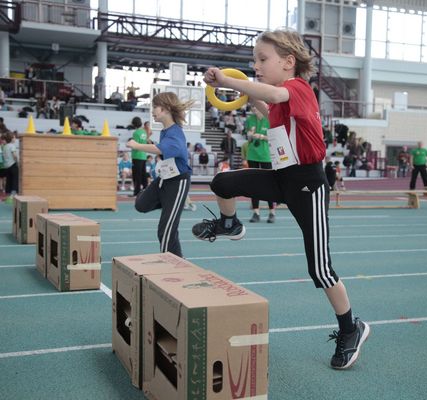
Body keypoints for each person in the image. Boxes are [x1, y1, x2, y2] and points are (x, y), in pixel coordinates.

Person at [191, 29, 369, 370]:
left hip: (308, 185)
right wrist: (239, 92)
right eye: (254, 60)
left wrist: (229, 80)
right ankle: (230, 222)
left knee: (320, 268)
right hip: (281, 178)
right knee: (222, 181)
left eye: (262, 59)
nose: (255, 65)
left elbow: (273, 95)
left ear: (288, 62)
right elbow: (267, 106)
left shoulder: (298, 89)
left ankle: (351, 328)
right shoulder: (281, 99)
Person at [126, 91, 194, 257]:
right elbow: (163, 149)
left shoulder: (175, 132)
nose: (153, 111)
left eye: (155, 107)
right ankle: (169, 205)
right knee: (141, 204)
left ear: (165, 109)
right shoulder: (166, 131)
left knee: (166, 229)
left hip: (178, 182)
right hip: (164, 178)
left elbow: (169, 148)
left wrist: (137, 145)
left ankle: (173, 263)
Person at [246, 106, 275, 223]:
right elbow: (248, 139)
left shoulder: (270, 119)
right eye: (253, 107)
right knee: (254, 184)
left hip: (266, 156)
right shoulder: (250, 119)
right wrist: (250, 135)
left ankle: (272, 212)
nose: (254, 108)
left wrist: (261, 136)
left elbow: (275, 138)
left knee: (269, 183)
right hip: (252, 154)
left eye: (256, 106)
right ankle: (255, 212)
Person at [130, 116, 148, 197]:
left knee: (136, 175)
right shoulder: (144, 132)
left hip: (137, 156)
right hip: (143, 155)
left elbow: (135, 145)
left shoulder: (136, 133)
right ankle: (146, 191)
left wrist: (129, 144)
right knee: (143, 174)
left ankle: (136, 192)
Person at [2, 131, 18, 203]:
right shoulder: (12, 146)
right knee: (15, 179)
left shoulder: (5, 146)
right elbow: (14, 155)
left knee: (9, 179)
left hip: (7, 166)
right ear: (11, 139)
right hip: (12, 165)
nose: (15, 139)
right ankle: (13, 193)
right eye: (14, 137)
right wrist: (17, 161)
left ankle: (8, 193)